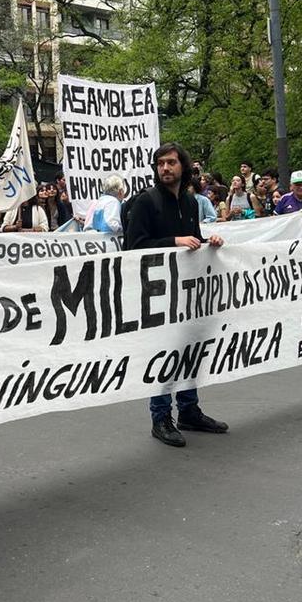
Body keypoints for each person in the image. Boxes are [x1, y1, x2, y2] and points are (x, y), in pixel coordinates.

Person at [123, 142, 227, 448]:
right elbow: (133, 248)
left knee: (188, 350)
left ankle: (189, 410)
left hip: (186, 291)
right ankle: (160, 417)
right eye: (160, 163)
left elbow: (190, 241)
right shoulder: (146, 202)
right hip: (156, 294)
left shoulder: (191, 202)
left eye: (171, 162)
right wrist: (174, 241)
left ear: (183, 165)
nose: (165, 168)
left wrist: (210, 241)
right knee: (164, 353)